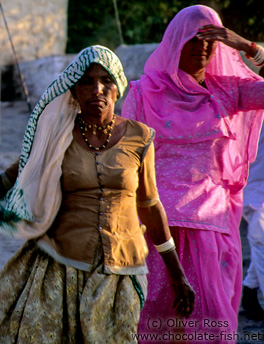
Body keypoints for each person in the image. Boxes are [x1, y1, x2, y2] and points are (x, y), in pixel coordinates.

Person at [0, 45, 194, 343]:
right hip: (58, 268)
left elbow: (149, 205)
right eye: (87, 82)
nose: (97, 89)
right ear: (74, 91)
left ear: (117, 88)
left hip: (120, 272)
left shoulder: (140, 137)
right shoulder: (53, 137)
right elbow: (4, 188)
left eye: (106, 81)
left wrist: (176, 272)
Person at [121, 5, 264, 341]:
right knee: (155, 320)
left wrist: (248, 47)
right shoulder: (143, 92)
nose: (202, 46)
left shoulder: (226, 91)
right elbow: (125, 160)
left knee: (209, 321)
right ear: (174, 42)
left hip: (209, 228)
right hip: (155, 228)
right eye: (193, 38)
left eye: (210, 40)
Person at [241, 66, 264, 321]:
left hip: (259, 189)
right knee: (261, 242)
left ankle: (249, 293)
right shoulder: (251, 106)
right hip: (253, 189)